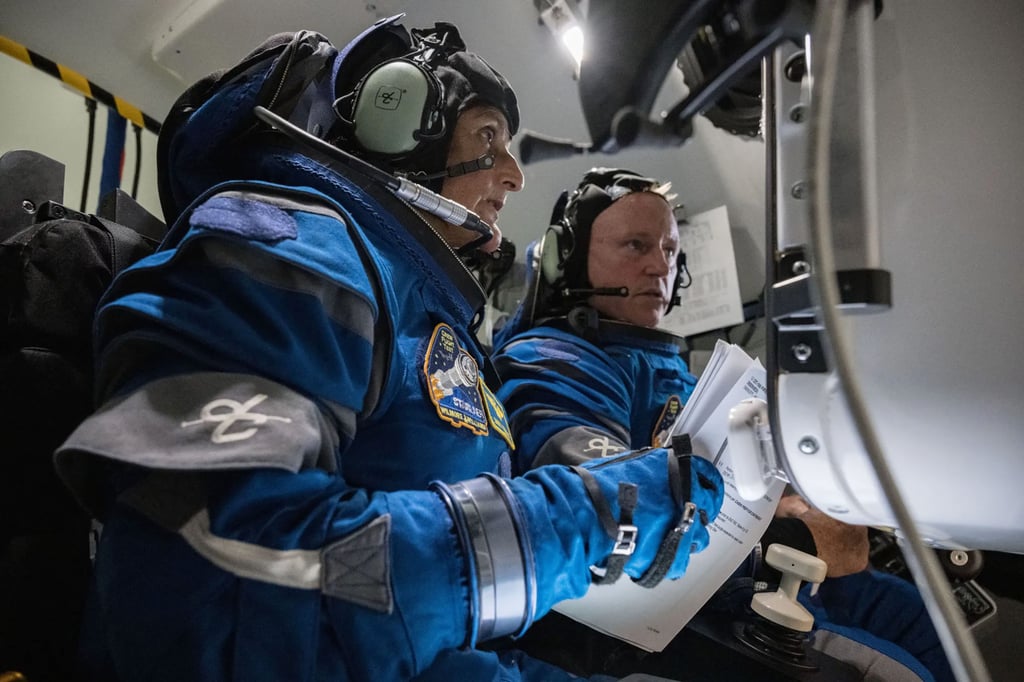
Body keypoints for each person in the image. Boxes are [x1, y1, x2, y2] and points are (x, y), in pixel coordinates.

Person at [52, 18, 726, 682]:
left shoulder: (421, 310)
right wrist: (583, 520)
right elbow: (219, 585)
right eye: (490, 136)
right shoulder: (288, 245)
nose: (516, 174)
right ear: (395, 120)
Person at [491, 168, 954, 682]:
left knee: (933, 624)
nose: (658, 266)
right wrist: (790, 538)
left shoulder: (676, 373)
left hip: (747, 579)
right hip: (669, 608)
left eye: (669, 250)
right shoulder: (553, 359)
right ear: (567, 259)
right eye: (635, 245)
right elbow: (603, 494)